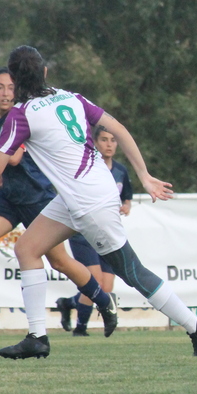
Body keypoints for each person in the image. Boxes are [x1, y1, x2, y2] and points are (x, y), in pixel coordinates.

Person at [0, 45, 197, 359]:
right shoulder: (71, 97)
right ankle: (36, 337)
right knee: (27, 248)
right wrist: (144, 175)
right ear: (45, 73)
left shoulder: (21, 115)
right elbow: (117, 127)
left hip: (89, 203)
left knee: (132, 272)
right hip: (82, 195)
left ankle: (196, 326)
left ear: (15, 79)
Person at [0, 67, 108, 335]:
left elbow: (13, 158)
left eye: (11, 88)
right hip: (10, 198)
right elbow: (8, 163)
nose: (5, 93)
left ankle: (105, 302)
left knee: (60, 262)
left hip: (38, 198)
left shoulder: (18, 116)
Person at [55, 125, 134, 337]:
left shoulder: (120, 171)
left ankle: (68, 303)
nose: (109, 144)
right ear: (95, 143)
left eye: (113, 140)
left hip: (107, 232)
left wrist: (126, 206)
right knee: (95, 281)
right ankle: (81, 329)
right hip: (83, 233)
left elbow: (127, 197)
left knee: (106, 287)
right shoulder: (88, 168)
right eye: (104, 140)